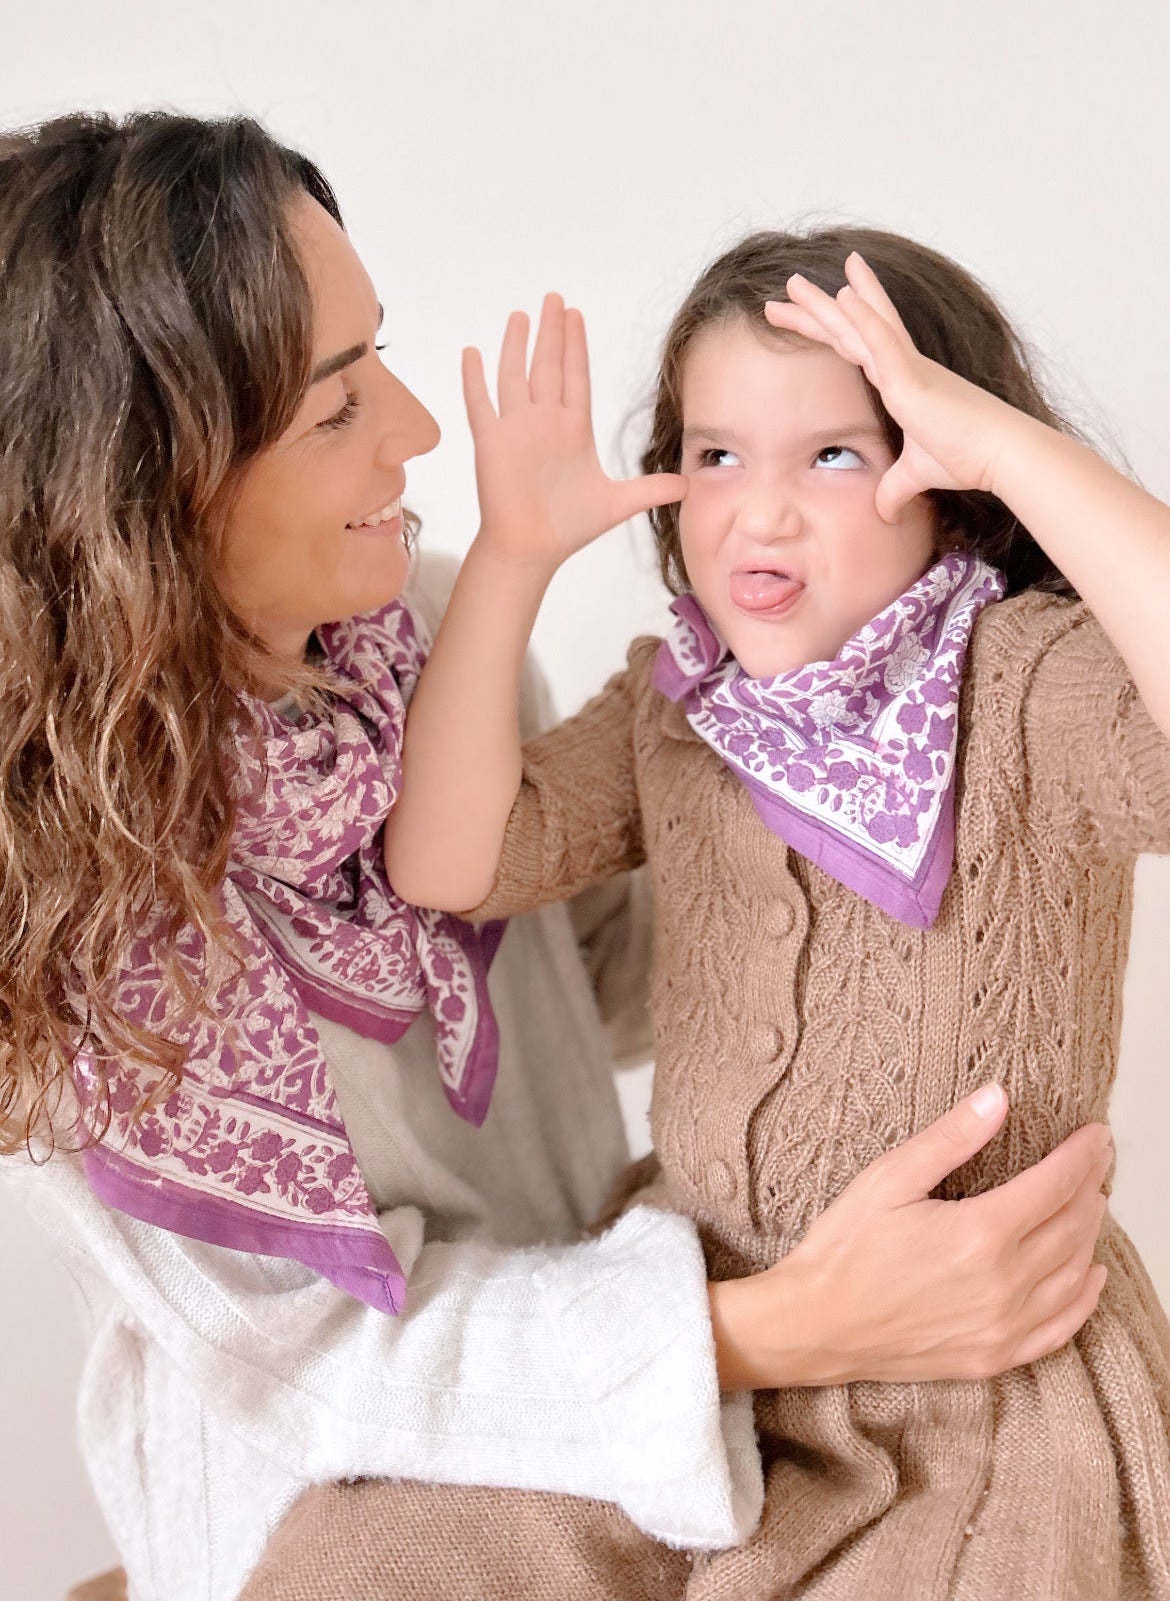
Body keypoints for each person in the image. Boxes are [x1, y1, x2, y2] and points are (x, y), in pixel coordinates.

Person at [0, 117, 1111, 1601]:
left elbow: (609, 965)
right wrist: (783, 1323)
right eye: (336, 409)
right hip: (348, 1476)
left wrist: (859, 780)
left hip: (691, 1340)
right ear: (146, 489)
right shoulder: (62, 897)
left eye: (377, 357)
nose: (412, 429)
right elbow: (313, 1362)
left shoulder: (431, 647)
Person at [329, 232, 1170, 1600]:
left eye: (833, 456)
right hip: (708, 1340)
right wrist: (513, 554)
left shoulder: (1026, 683)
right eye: (715, 456)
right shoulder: (679, 709)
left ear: (944, 487)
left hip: (974, 1371)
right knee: (360, 1556)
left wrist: (1020, 453)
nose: (756, 513)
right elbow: (445, 862)